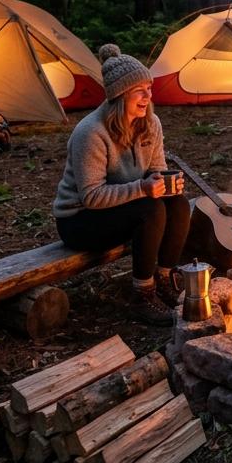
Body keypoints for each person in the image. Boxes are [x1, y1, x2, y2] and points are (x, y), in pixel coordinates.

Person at [53, 44, 190, 325]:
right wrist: (142, 189)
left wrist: (168, 183)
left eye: (149, 89)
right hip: (80, 220)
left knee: (177, 204)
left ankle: (164, 278)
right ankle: (142, 294)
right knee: (150, 211)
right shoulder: (91, 132)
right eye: (139, 90)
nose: (147, 97)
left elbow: (156, 170)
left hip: (124, 207)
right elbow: (91, 196)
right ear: (119, 95)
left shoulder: (151, 124)